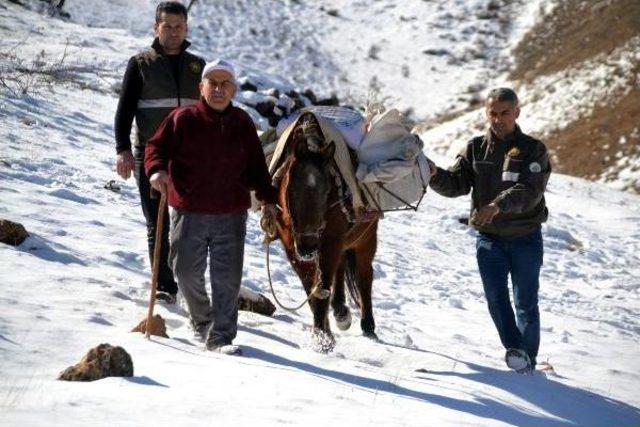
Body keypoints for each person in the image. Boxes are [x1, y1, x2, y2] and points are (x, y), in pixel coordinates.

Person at [144, 59, 279, 355]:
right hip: (188, 209)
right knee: (184, 271)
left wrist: (268, 198)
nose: (218, 89)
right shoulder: (182, 118)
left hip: (230, 213)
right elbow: (156, 147)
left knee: (227, 280)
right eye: (212, 83)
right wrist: (156, 170)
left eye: (225, 84)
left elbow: (257, 166)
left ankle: (221, 337)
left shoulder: (242, 123)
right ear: (201, 86)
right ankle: (202, 320)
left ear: (233, 89)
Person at [428, 88, 551, 373]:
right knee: (496, 298)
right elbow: (457, 184)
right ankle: (517, 351)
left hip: (525, 238)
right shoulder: (475, 148)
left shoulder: (534, 149)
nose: (498, 119)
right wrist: (434, 174)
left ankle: (527, 363)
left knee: (525, 303)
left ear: (517, 112)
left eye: (504, 113)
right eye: (492, 113)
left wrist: (497, 205)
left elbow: (530, 191)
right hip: (489, 240)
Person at [114, 2, 205, 304]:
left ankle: (189, 281)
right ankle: (165, 286)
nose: (174, 32)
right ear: (156, 28)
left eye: (179, 26)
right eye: (167, 26)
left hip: (191, 160)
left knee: (191, 223)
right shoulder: (141, 64)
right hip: (151, 156)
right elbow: (124, 111)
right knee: (158, 222)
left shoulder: (197, 67)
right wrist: (123, 150)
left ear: (186, 28)